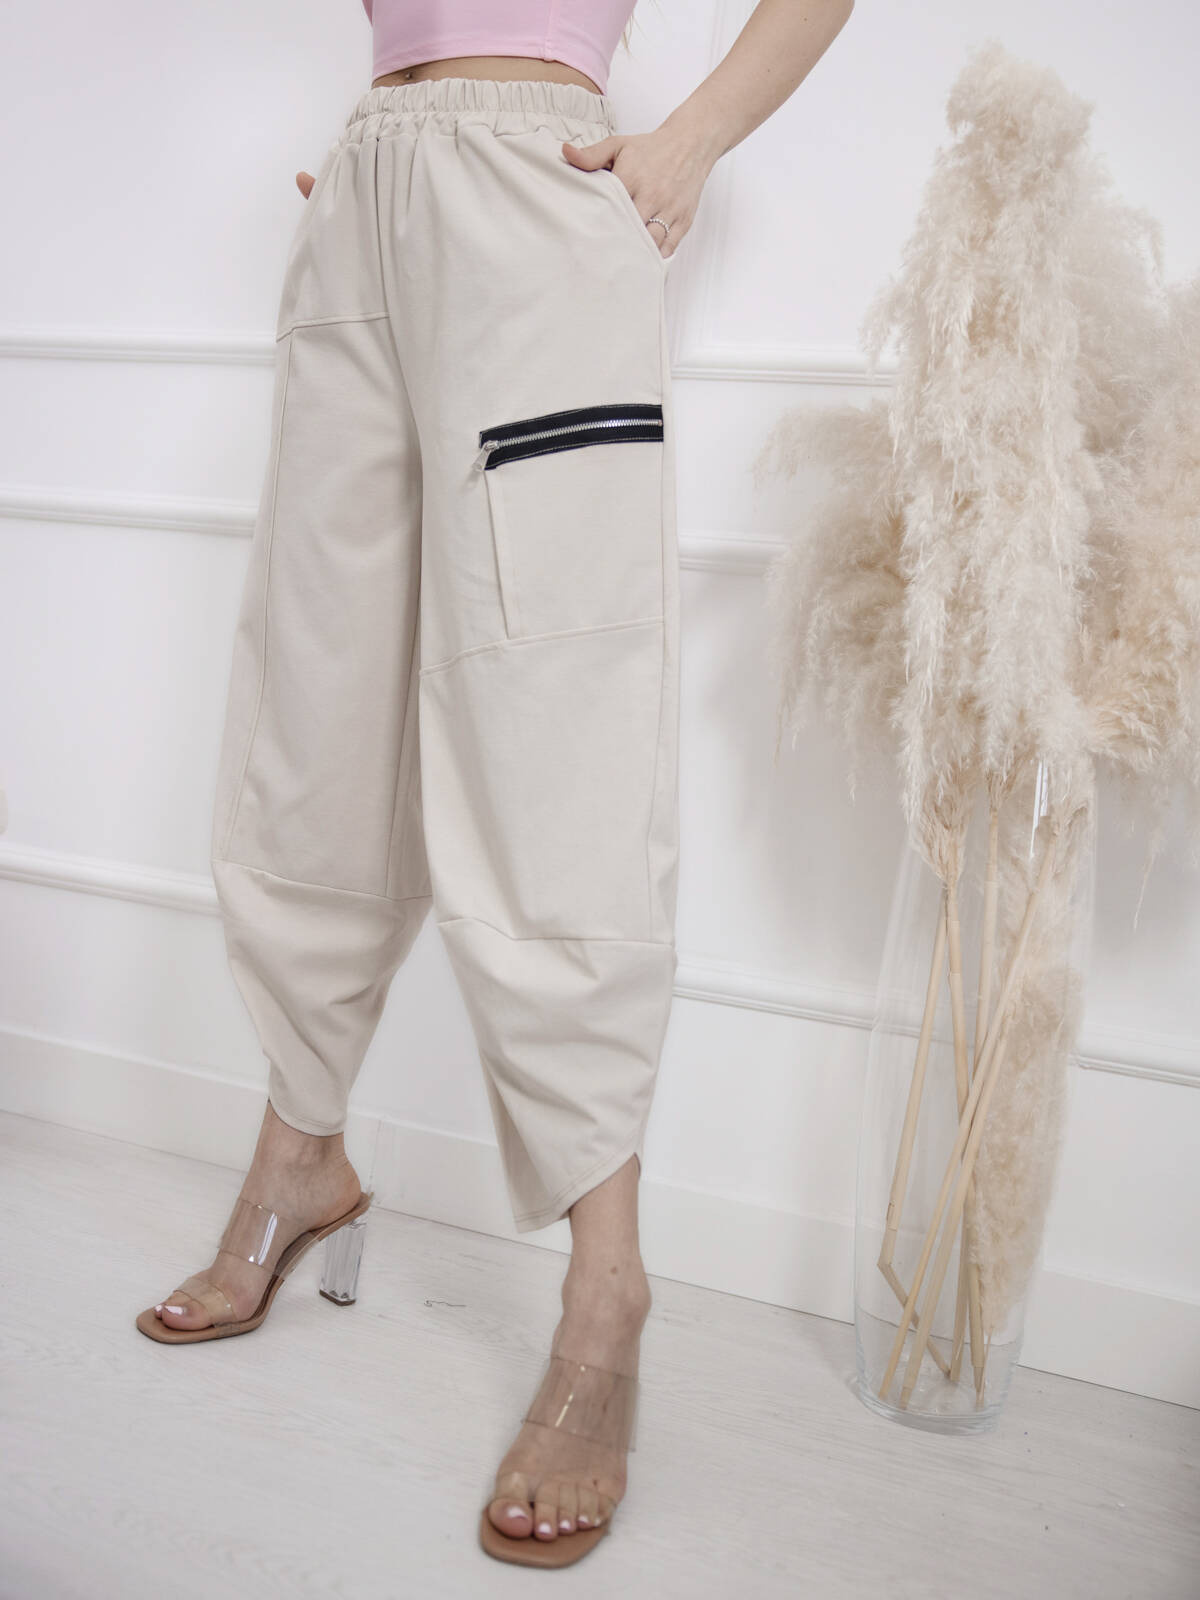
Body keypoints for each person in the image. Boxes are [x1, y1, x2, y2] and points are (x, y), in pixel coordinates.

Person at [134, 0, 855, 1570]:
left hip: (542, 195)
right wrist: (383, 164)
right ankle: (302, 1153)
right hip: (364, 200)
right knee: (317, 715)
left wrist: (688, 144)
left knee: (552, 732)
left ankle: (608, 1285)